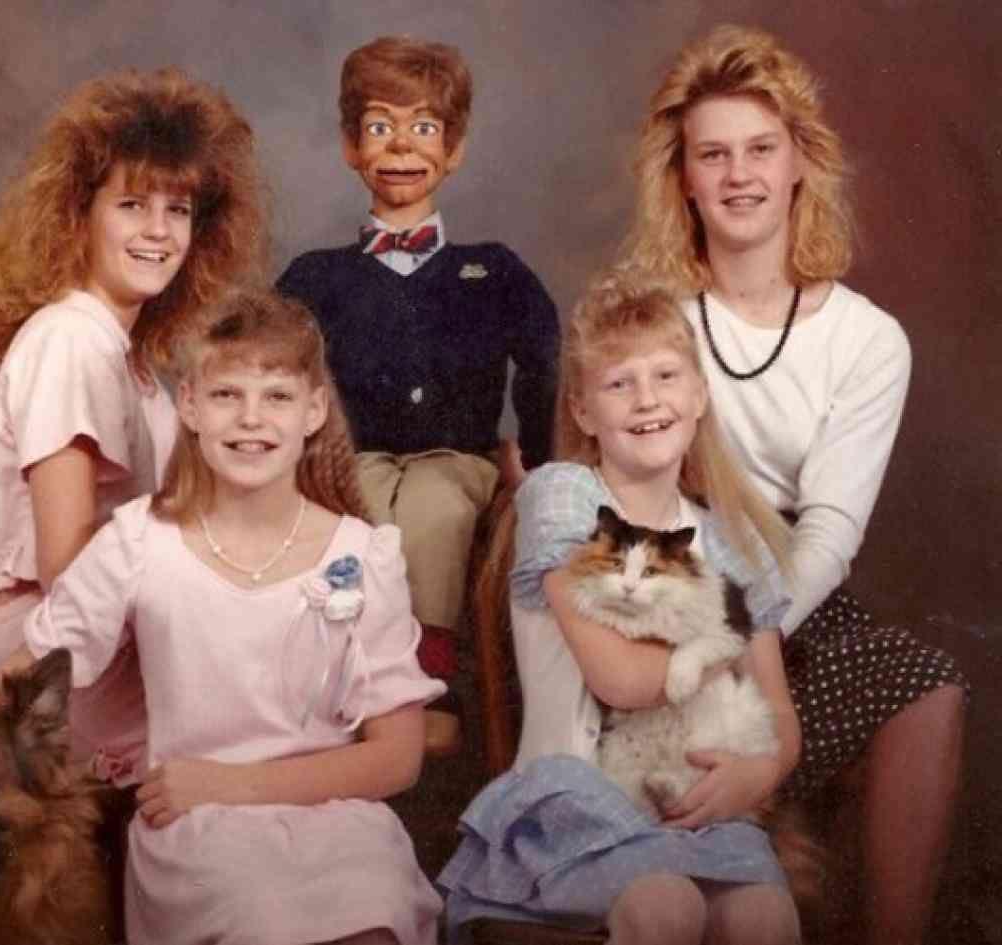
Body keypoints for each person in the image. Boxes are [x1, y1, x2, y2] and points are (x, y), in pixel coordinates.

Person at [620, 24, 968, 945]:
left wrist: (746, 627)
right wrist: (698, 624)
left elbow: (829, 533)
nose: (739, 175)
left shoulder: (867, 339)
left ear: (800, 165)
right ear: (683, 177)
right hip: (666, 584)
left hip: (794, 596)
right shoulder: (652, 319)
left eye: (761, 150)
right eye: (713, 154)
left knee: (928, 683)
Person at [0, 290, 445, 945]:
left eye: (277, 396)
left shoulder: (363, 555)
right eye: (227, 394)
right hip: (198, 827)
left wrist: (236, 782)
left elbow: (397, 757)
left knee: (371, 916)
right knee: (263, 918)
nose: (251, 418)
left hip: (336, 819)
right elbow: (35, 665)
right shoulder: (140, 540)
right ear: (191, 405)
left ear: (314, 410)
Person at [0, 68, 262, 776]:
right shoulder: (71, 340)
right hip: (29, 662)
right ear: (79, 214)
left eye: (179, 209)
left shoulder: (125, 354)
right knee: (259, 722)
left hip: (72, 634)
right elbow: (68, 570)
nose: (158, 231)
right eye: (132, 204)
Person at [439, 276, 802, 944]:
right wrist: (721, 641)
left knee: (764, 919)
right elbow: (621, 681)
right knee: (668, 905)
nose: (647, 399)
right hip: (575, 801)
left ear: (699, 395)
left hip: (700, 809)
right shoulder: (567, 497)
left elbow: (778, 713)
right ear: (582, 411)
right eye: (619, 383)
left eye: (666, 375)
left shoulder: (730, 537)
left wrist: (758, 771)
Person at [277, 35, 560, 753]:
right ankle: (351, 679)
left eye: (424, 127)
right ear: (351, 147)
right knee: (359, 520)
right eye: (380, 126)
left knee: (433, 509)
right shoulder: (315, 277)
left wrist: (538, 460)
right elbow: (273, 369)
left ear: (454, 149)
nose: (401, 145)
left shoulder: (492, 271)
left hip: (458, 460)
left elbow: (544, 361)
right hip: (355, 458)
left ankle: (428, 679)